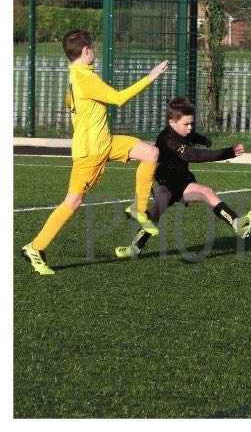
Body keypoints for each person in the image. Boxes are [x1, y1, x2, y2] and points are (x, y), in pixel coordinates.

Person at [21, 29, 168, 275]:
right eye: (93, 47)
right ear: (87, 50)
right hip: (90, 152)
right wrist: (150, 77)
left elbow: (70, 101)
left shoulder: (76, 73)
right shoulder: (85, 78)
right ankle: (35, 247)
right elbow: (118, 98)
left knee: (150, 153)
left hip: (104, 142)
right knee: (73, 201)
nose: (95, 51)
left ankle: (138, 208)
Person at [114, 97, 251, 259]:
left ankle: (238, 223)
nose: (190, 128)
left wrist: (204, 140)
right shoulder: (167, 139)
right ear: (172, 122)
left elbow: (192, 136)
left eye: (191, 123)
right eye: (186, 124)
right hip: (165, 184)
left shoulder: (182, 131)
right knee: (155, 215)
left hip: (183, 181)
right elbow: (192, 155)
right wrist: (228, 152)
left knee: (207, 192)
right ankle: (134, 249)